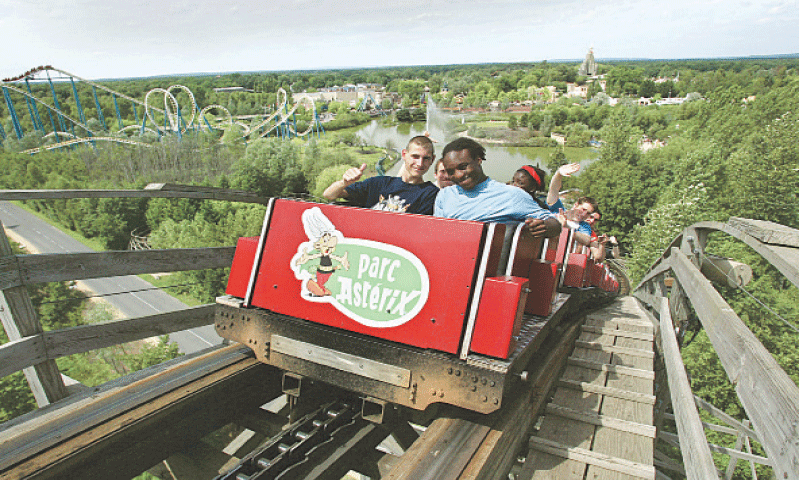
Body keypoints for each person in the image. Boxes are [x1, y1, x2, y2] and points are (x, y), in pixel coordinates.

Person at [434, 138, 562, 238]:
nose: (458, 175)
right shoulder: (444, 196)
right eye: (451, 171)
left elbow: (554, 224)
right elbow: (436, 233)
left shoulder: (512, 195)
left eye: (463, 167)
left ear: (478, 160)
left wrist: (543, 226)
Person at [323, 135, 439, 215]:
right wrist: (344, 183)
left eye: (426, 158)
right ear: (404, 154)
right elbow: (329, 194)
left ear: (432, 160)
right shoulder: (379, 183)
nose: (420, 163)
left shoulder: (431, 194)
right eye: (415, 156)